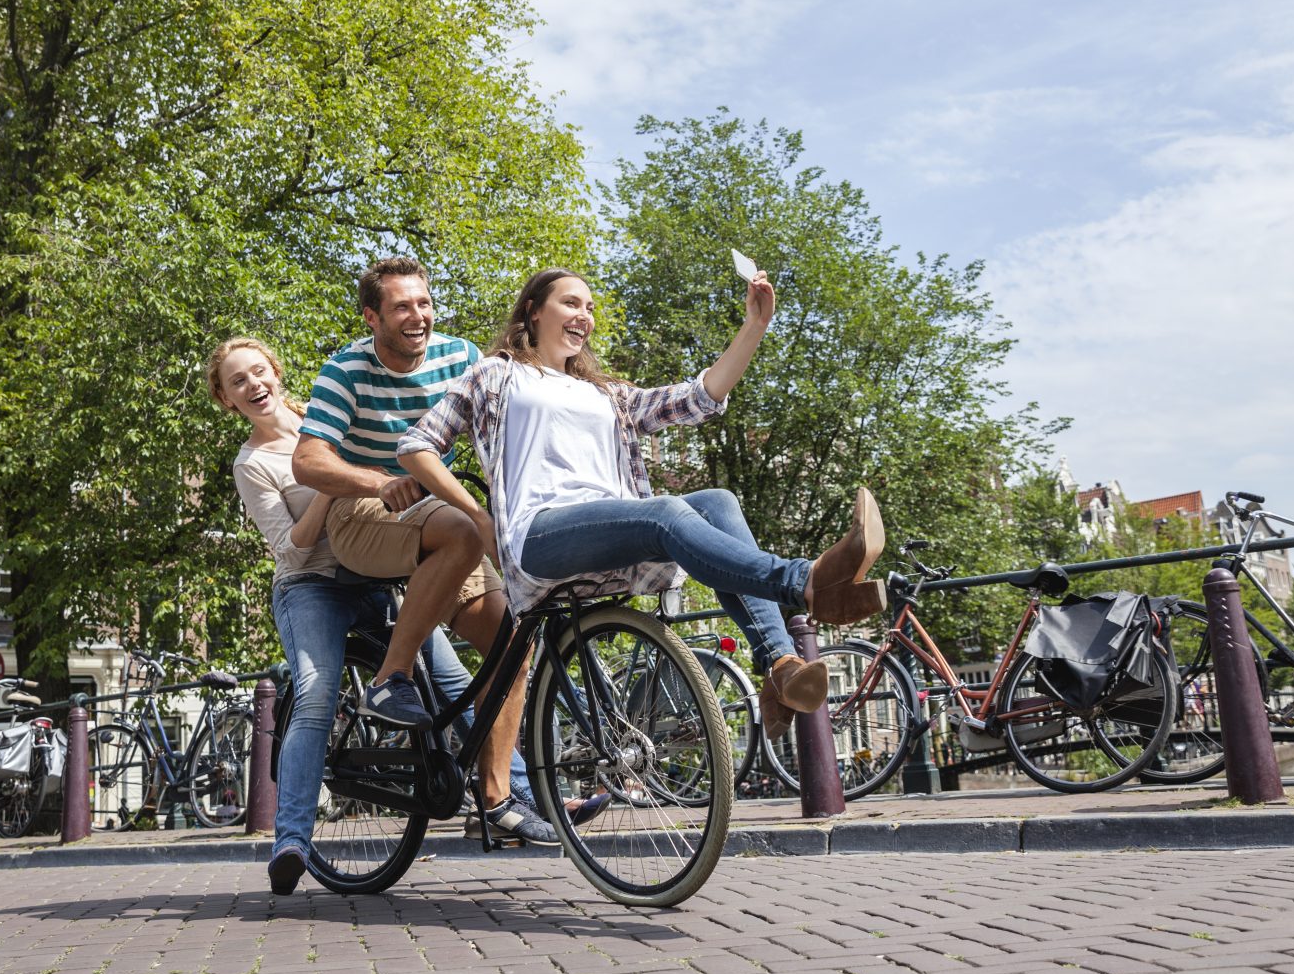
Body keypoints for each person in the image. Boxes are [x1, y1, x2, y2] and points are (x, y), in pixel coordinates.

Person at [395, 266, 889, 739]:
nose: (583, 315)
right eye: (570, 302)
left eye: (589, 307)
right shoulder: (494, 376)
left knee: (717, 501)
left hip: (613, 535)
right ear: (533, 312)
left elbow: (700, 396)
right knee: (666, 511)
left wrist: (754, 326)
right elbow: (417, 446)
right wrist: (481, 517)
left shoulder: (607, 394)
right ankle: (806, 583)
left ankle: (780, 664)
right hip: (540, 536)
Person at [211, 336, 552, 895]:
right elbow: (292, 548)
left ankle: (519, 799)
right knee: (317, 693)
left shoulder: (324, 417)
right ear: (227, 400)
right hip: (312, 586)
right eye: (237, 382)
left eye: (258, 372)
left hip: (374, 576)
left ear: (276, 372)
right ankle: (292, 839)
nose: (253, 386)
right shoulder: (254, 463)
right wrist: (329, 482)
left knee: (451, 682)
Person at [291, 258, 558, 846]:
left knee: (515, 641)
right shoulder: (346, 369)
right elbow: (307, 461)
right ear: (372, 316)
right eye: (403, 307)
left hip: (440, 517)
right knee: (464, 530)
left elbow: (508, 427)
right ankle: (390, 678)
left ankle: (495, 799)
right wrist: (375, 480)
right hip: (364, 514)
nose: (419, 317)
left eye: (424, 303)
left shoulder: (460, 357)